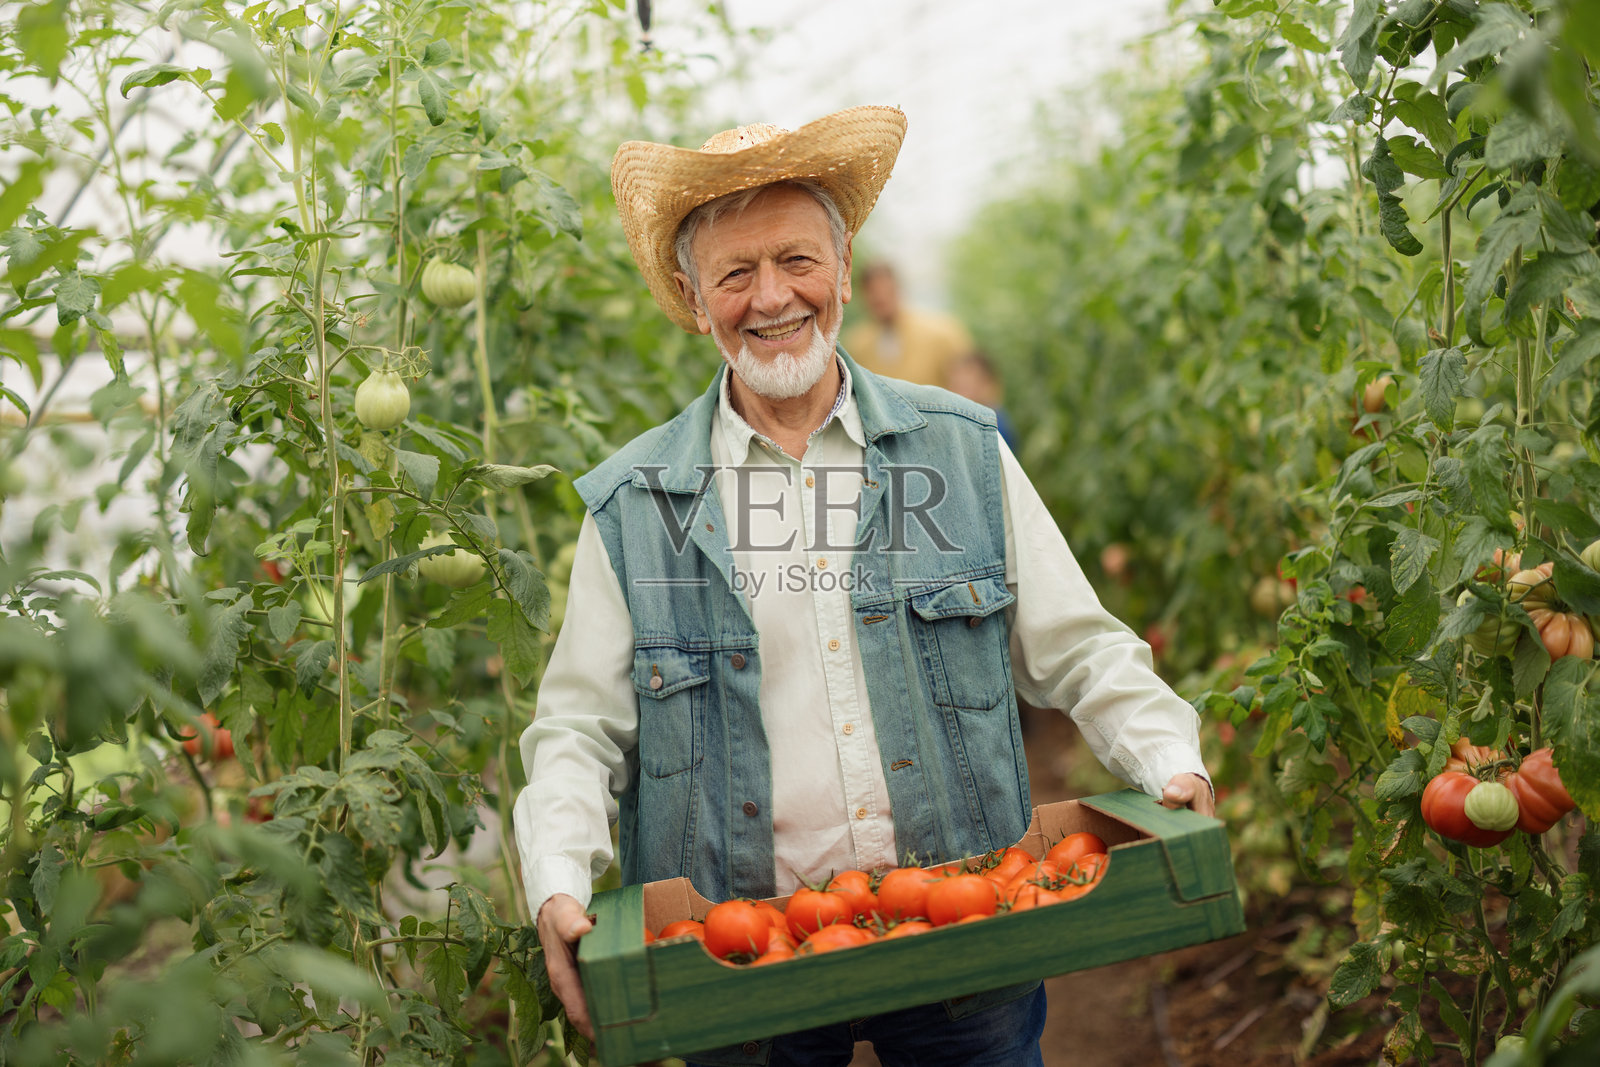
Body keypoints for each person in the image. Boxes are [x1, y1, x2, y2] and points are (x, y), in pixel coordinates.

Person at [513, 105, 1213, 1067]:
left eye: (797, 260)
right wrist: (557, 874)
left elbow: (1079, 647)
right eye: (734, 272)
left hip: (967, 924)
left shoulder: (959, 450)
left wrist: (1168, 757)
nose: (771, 297)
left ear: (844, 270)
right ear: (691, 293)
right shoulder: (643, 504)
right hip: (740, 956)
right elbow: (579, 729)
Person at [841, 260, 974, 386]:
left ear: (898, 289)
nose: (880, 297)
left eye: (886, 290)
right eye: (872, 292)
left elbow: (969, 384)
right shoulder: (857, 343)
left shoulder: (943, 333)